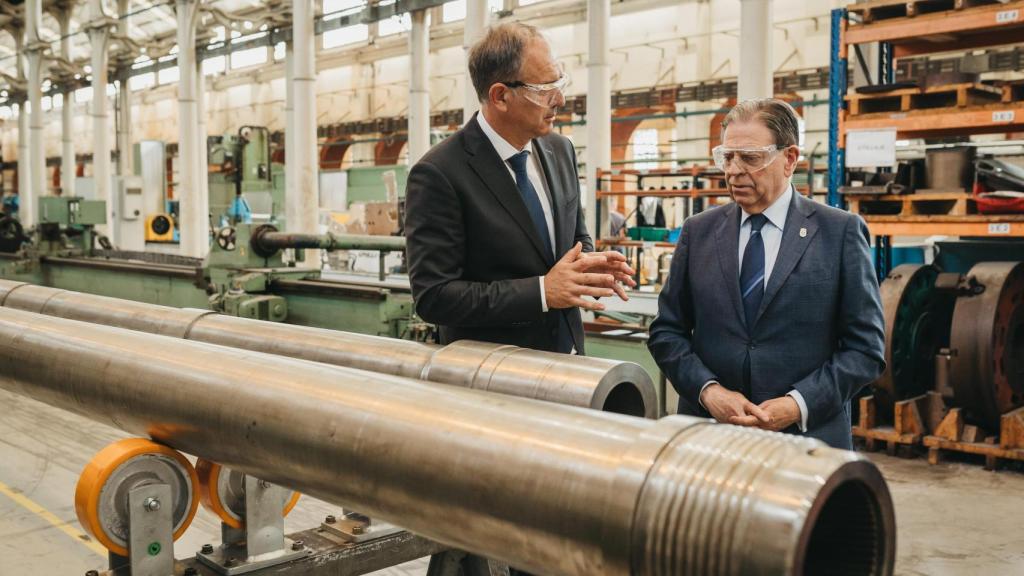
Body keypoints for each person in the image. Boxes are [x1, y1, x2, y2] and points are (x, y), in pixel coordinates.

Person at [647, 98, 885, 449]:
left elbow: (865, 350)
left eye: (750, 158)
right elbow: (667, 332)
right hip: (709, 439)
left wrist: (797, 404)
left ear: (789, 159)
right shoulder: (699, 232)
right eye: (727, 157)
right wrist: (709, 391)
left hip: (806, 443)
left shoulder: (840, 233)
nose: (734, 170)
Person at [405, 22, 634, 355]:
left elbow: (574, 236)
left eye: (560, 82)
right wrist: (542, 292)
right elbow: (434, 297)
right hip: (492, 373)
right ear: (500, 96)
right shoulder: (439, 174)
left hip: (567, 356)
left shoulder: (559, 150)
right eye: (545, 89)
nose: (561, 99)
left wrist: (588, 265)